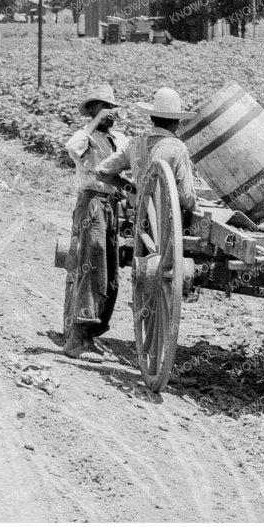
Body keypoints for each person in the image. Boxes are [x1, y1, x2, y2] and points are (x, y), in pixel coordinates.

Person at [60, 82, 124, 358]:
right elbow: (73, 148)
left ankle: (92, 334)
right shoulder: (83, 137)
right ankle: (76, 338)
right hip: (92, 203)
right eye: (102, 109)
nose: (107, 114)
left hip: (112, 205)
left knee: (109, 269)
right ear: (93, 110)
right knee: (91, 264)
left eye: (110, 109)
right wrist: (93, 123)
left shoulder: (118, 139)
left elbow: (129, 164)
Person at [95, 86, 197, 220]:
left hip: (140, 215)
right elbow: (185, 196)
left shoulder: (135, 143)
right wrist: (195, 207)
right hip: (167, 219)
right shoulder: (178, 148)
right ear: (177, 122)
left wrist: (133, 189)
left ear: (152, 118)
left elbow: (101, 171)